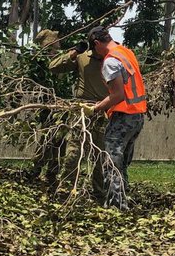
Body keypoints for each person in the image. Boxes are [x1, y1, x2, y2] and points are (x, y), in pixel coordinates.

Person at [47, 26, 111, 201]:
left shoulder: (112, 58)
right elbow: (53, 67)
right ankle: (65, 191)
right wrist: (75, 52)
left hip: (104, 111)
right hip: (82, 109)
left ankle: (99, 193)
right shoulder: (83, 58)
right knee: (73, 152)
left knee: (101, 155)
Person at [88, 35, 147, 210]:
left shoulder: (110, 61)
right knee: (121, 163)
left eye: (94, 49)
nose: (96, 54)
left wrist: (96, 108)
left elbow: (118, 95)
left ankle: (116, 206)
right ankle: (124, 199)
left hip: (123, 116)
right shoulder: (126, 53)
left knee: (112, 163)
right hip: (137, 115)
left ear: (97, 43)